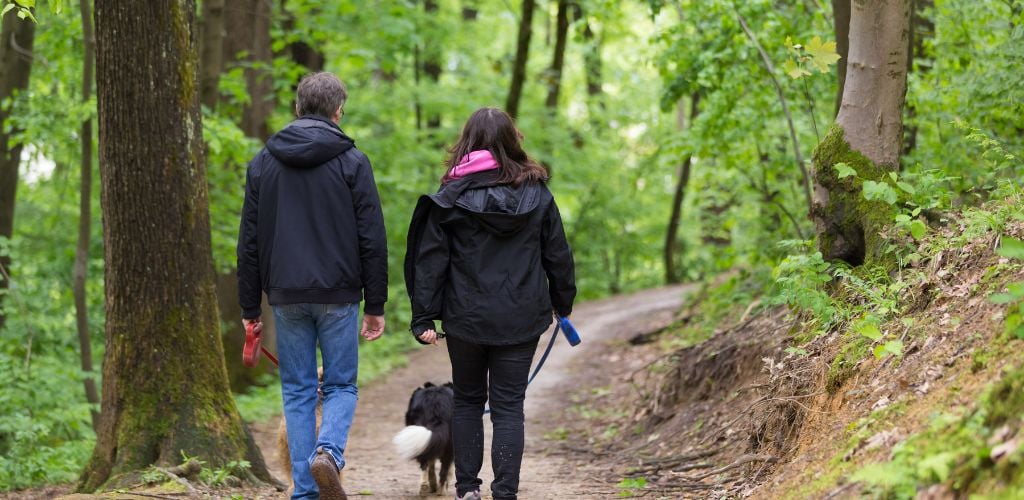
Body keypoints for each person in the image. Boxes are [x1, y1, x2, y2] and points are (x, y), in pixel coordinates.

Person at [404, 107, 576, 500]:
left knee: (467, 400)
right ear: (513, 141)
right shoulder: (538, 194)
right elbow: (558, 255)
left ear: (467, 142)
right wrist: (562, 302)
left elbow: (430, 262)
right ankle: (505, 493)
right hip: (521, 316)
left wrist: (423, 317)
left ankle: (467, 490)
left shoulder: (449, 199)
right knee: (508, 406)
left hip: (465, 318)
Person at [237, 72, 388, 500]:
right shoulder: (353, 161)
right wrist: (375, 303)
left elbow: (248, 242)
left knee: (298, 390)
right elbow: (372, 239)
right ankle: (329, 452)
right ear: (338, 111)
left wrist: (250, 307)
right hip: (339, 294)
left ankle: (304, 492)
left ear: (297, 109)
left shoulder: (263, 162)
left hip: (285, 294)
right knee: (341, 385)